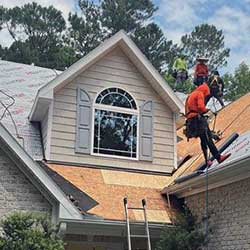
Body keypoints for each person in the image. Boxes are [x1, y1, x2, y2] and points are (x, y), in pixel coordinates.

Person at [185, 83, 231, 166]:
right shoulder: (200, 93)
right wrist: (210, 111)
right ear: (206, 90)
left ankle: (207, 161)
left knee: (203, 140)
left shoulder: (192, 94)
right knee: (208, 138)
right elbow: (201, 107)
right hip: (197, 119)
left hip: (191, 121)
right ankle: (218, 157)